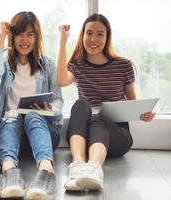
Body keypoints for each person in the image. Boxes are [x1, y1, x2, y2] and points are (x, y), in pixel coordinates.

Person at [57, 13, 155, 191]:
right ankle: (78, 166)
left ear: (107, 37)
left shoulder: (123, 66)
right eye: (89, 33)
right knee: (80, 105)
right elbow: (62, 81)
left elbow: (134, 105)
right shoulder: (77, 65)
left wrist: (145, 114)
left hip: (117, 136)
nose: (93, 39)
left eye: (100, 34)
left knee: (99, 116)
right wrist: (63, 40)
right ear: (83, 35)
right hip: (86, 139)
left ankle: (94, 169)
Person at [0, 11, 63, 199]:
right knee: (11, 116)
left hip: (44, 132)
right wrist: (2, 34)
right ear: (12, 36)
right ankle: (9, 170)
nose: (24, 39)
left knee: (33, 115)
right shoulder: (5, 64)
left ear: (37, 37)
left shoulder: (48, 64)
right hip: (12, 135)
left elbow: (58, 99)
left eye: (30, 34)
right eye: (20, 33)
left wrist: (49, 110)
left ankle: (47, 169)